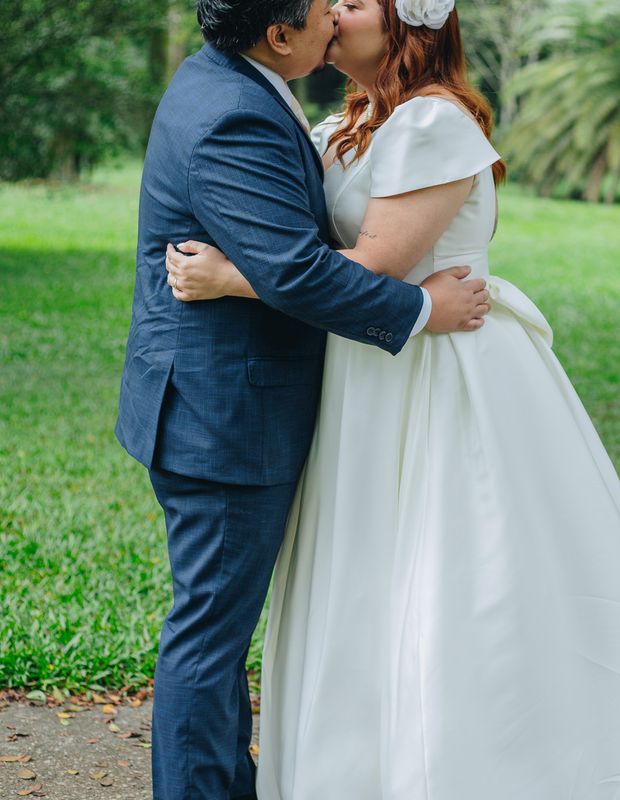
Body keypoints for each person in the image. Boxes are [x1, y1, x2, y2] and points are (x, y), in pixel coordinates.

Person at [164, 0, 620, 797]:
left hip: (439, 374)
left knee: (454, 571)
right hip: (371, 371)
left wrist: (231, 277)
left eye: (353, 4)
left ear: (407, 25)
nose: (333, 13)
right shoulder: (349, 122)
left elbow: (374, 266)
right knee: (368, 573)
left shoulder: (434, 124)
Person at [114, 0, 491, 797]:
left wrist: (230, 276)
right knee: (209, 635)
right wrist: (423, 310)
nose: (335, 13)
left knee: (217, 628)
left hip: (247, 400)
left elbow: (299, 255)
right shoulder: (235, 111)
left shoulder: (230, 81)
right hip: (225, 414)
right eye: (327, 7)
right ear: (280, 35)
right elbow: (296, 270)